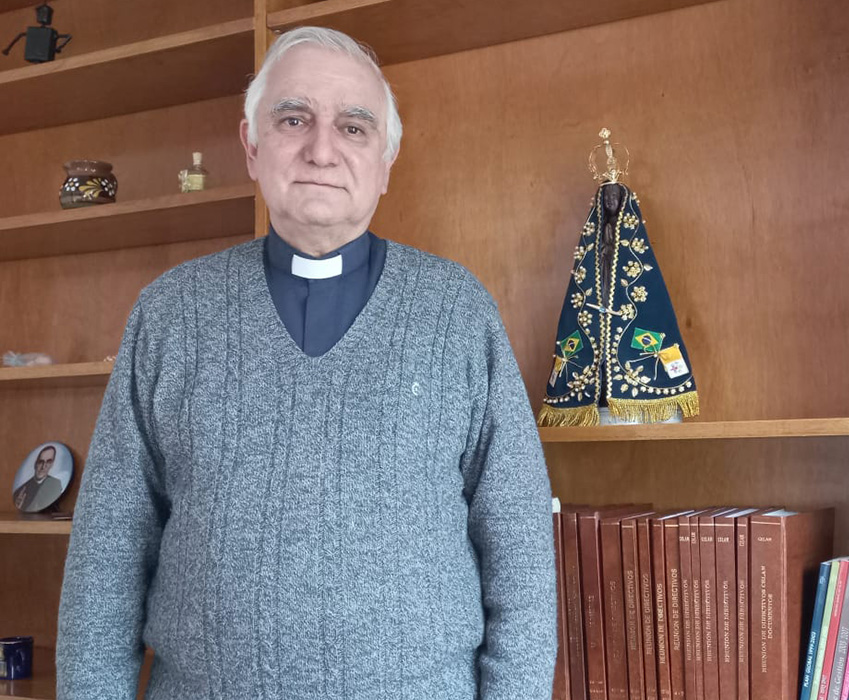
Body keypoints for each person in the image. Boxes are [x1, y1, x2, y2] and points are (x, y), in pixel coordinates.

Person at [56, 26, 556, 700]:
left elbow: (520, 553)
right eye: (294, 119)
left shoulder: (457, 313)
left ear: (386, 161)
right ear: (252, 147)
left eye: (354, 127)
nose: (322, 148)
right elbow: (104, 563)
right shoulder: (169, 314)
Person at [13, 444, 63, 512]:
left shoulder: (56, 484)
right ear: (35, 464)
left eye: (48, 462)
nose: (43, 466)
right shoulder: (20, 492)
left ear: (52, 464)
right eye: (41, 462)